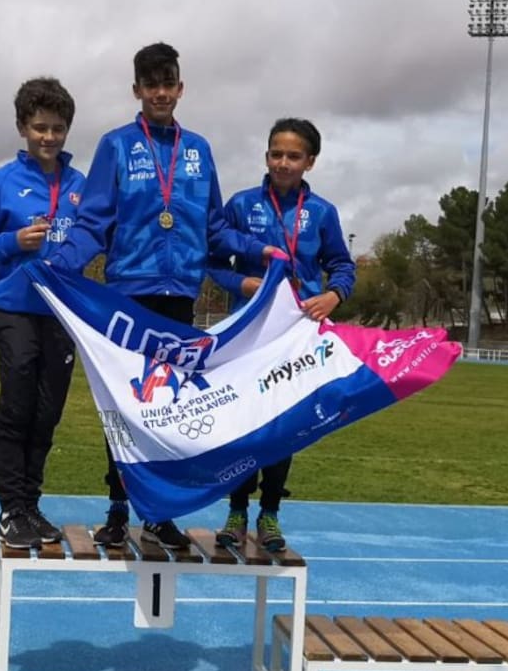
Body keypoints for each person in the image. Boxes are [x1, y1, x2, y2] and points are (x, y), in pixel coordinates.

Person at [49, 42, 281, 550]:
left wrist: (261, 250)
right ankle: (116, 508)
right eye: (150, 83)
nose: (160, 92)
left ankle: (157, 514)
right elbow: (93, 222)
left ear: (180, 87)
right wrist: (59, 262)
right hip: (128, 297)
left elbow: (215, 228)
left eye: (167, 82)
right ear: (136, 90)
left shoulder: (198, 150)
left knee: (168, 411)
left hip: (179, 298)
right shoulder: (115, 145)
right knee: (124, 410)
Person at [208, 117, 355, 552]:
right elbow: (212, 263)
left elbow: (343, 266)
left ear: (310, 161)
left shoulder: (323, 213)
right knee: (244, 424)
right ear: (266, 155)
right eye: (276, 153)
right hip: (248, 333)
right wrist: (242, 284)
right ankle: (236, 511)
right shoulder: (239, 205)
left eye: (294, 156)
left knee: (284, 424)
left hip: (297, 335)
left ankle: (269, 513)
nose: (283, 163)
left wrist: (333, 296)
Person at [0, 77, 86, 549]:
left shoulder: (80, 185)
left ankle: (31, 507)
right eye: (39, 127)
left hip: (61, 314)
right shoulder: (1, 181)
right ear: (21, 127)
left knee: (47, 413)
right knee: (16, 408)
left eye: (57, 128)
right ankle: (10, 508)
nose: (49, 137)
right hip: (15, 309)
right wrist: (14, 242)